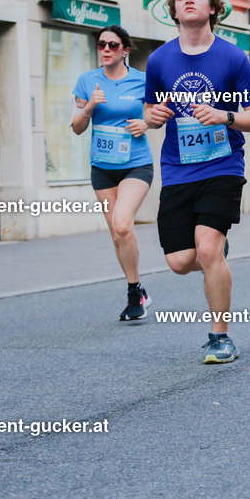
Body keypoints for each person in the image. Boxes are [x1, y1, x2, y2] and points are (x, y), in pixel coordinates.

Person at [144, 0, 250, 363]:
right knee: (180, 261)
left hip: (222, 166)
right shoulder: (160, 59)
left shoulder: (232, 56)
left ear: (212, 6)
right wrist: (153, 117)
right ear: (174, 10)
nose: (189, 0)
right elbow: (149, 110)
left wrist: (224, 116)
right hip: (178, 168)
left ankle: (220, 337)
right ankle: (214, 255)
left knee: (208, 249)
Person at [71, 25, 154, 320]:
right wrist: (90, 106)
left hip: (136, 163)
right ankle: (136, 290)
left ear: (125, 50)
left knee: (122, 225)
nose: (106, 50)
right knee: (116, 234)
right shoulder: (87, 81)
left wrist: (146, 123)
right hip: (102, 168)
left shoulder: (143, 80)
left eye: (113, 45)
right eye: (101, 44)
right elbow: (77, 127)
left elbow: (162, 112)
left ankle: (135, 292)